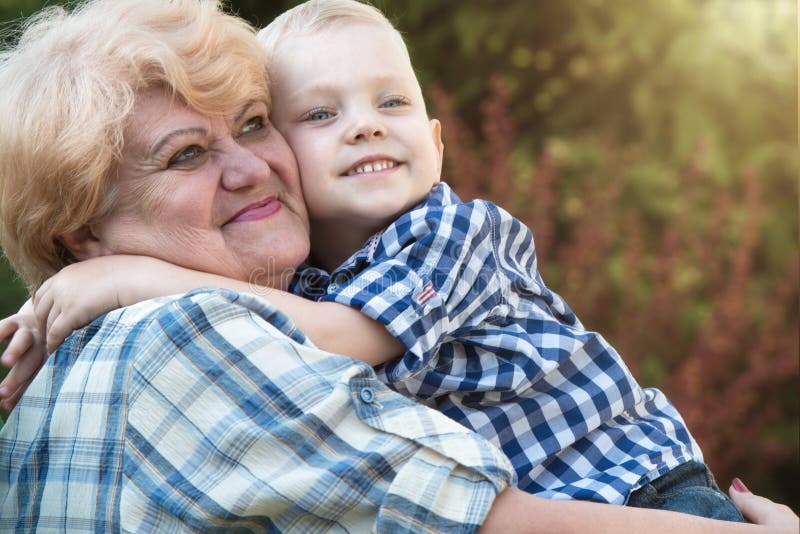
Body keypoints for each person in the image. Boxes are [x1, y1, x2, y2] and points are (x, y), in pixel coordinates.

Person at [0, 0, 798, 531]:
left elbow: (341, 343)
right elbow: (488, 521)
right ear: (81, 235)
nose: (251, 169)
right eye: (184, 155)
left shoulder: (455, 232)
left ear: (437, 139)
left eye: (251, 123)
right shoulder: (197, 338)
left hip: (652, 492)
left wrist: (130, 278)